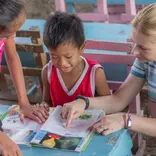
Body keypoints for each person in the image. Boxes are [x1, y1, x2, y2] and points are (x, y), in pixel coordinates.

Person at [61, 4, 156, 137]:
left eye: (143, 47)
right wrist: (84, 102)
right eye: (134, 43)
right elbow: (119, 99)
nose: (135, 52)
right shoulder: (145, 61)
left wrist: (125, 120)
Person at [35, 12, 110, 122]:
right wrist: (44, 106)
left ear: (82, 47)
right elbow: (47, 101)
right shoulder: (47, 72)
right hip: (58, 128)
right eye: (54, 56)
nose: (62, 63)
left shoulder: (95, 73)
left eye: (68, 56)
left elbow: (108, 105)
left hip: (88, 128)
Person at [0, 0, 47, 155]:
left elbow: (12, 57)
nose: (12, 37)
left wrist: (24, 102)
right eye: (7, 35)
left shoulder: (5, 33)